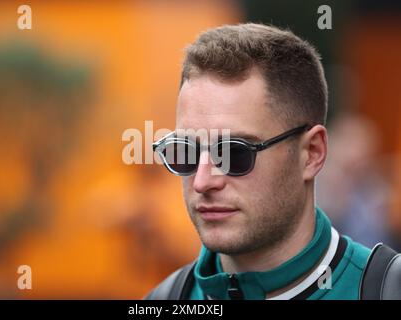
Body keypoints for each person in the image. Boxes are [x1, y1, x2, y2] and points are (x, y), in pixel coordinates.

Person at [146, 22, 400, 300]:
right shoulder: (165, 298)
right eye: (185, 153)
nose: (202, 181)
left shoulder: (385, 290)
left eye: (235, 153)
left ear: (312, 153)